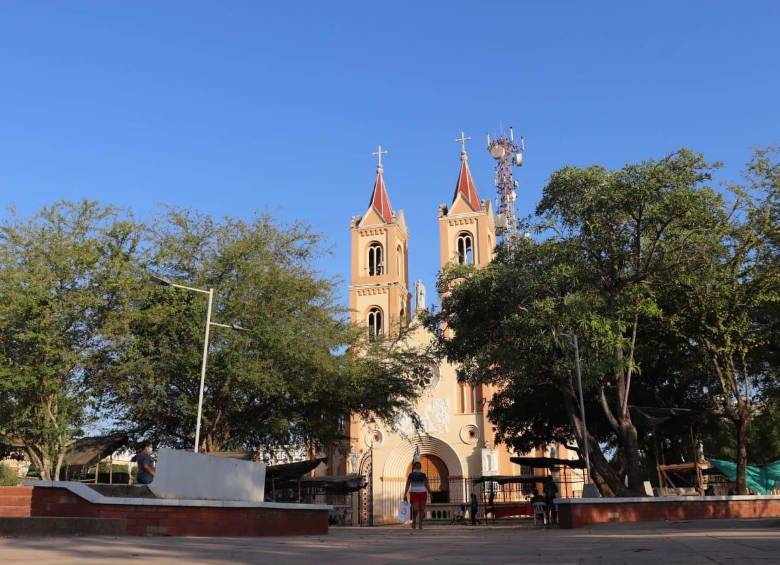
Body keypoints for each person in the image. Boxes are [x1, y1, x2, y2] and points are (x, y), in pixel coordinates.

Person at [403, 461, 431, 530]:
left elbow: (426, 484)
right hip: (414, 493)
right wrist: (405, 494)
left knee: (422, 509)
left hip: (423, 493)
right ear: (414, 467)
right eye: (416, 466)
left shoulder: (423, 475)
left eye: (419, 466)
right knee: (415, 510)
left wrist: (430, 492)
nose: (417, 467)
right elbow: (407, 484)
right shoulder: (411, 475)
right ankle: (414, 521)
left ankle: (420, 525)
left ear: (420, 467)